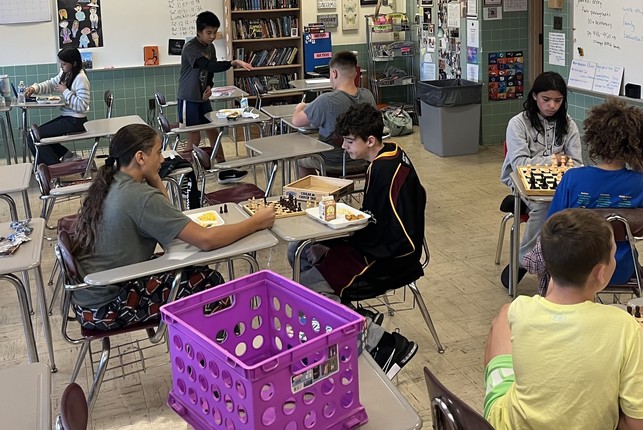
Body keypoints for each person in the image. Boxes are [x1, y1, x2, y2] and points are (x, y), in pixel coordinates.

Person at [70, 124, 275, 330]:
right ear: (140, 157)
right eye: (158, 153)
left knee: (191, 271)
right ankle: (226, 355)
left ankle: (201, 344)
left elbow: (168, 218)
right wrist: (256, 222)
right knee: (208, 282)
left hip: (89, 299)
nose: (162, 159)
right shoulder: (139, 196)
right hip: (109, 306)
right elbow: (206, 240)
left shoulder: (112, 180)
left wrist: (155, 178)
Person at [484, 209, 643, 429]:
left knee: (502, 317)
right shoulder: (623, 325)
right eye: (613, 254)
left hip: (506, 424)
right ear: (600, 273)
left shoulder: (520, 310)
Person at [288, 103, 422, 379]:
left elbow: (380, 231)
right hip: (381, 243)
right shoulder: (391, 153)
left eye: (350, 141)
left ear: (370, 140)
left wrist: (333, 244)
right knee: (298, 251)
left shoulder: (383, 171)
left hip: (390, 256)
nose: (345, 147)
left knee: (311, 291)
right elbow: (375, 222)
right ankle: (355, 317)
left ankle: (384, 343)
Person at [523, 98, 643, 289]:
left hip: (572, 269)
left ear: (595, 140)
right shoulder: (640, 183)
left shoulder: (573, 178)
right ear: (637, 145)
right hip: (620, 268)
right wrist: (640, 168)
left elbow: (552, 222)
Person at [499, 71, 582, 288]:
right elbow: (520, 165)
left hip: (559, 182)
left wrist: (550, 162)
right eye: (546, 99)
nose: (552, 106)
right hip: (521, 180)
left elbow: (576, 163)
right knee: (544, 204)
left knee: (579, 206)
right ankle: (524, 260)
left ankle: (564, 262)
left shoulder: (569, 124)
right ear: (535, 96)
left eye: (558, 100)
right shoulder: (517, 124)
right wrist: (554, 159)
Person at [178, 11, 253, 184]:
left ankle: (222, 169)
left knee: (213, 132)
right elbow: (206, 64)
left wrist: (209, 86)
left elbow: (209, 71)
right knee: (194, 138)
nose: (212, 37)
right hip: (188, 99)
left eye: (214, 32)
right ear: (199, 32)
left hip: (203, 99)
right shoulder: (190, 48)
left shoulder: (210, 47)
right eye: (208, 33)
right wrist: (232, 63)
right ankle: (185, 176)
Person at [291, 51, 375, 177]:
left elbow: (296, 121)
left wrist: (299, 107)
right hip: (364, 159)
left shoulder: (326, 100)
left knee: (299, 159)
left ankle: (317, 191)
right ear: (355, 73)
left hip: (331, 161)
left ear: (334, 73)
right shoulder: (368, 95)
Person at [24, 48, 90, 165]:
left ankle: (53, 167)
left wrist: (65, 91)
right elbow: (51, 84)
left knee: (33, 136)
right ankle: (66, 156)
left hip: (76, 121)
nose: (61, 66)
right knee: (36, 135)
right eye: (60, 63)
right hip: (68, 118)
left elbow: (82, 106)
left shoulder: (81, 78)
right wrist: (35, 88)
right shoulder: (66, 73)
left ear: (74, 63)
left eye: (64, 64)